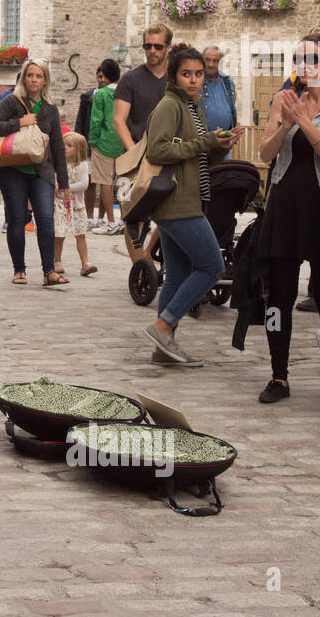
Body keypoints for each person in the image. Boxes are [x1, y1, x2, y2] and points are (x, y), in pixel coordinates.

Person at [254, 32, 320, 409]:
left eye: (312, 58)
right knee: (279, 297)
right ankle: (278, 375)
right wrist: (285, 122)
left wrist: (305, 122)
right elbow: (266, 153)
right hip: (286, 203)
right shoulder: (284, 99)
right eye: (298, 58)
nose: (303, 65)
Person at [141, 46, 243, 365]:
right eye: (187, 74)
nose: (195, 80)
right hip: (176, 202)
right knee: (212, 267)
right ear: (173, 76)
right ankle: (163, 325)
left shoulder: (192, 107)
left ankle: (163, 349)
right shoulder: (170, 106)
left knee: (177, 274)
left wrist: (218, 146)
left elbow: (196, 156)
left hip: (189, 198)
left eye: (199, 74)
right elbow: (157, 151)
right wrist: (206, 143)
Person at [0, 59, 68, 286]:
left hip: (42, 171)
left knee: (46, 220)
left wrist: (64, 182)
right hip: (12, 169)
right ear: (24, 78)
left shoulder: (50, 109)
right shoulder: (12, 102)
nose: (33, 80)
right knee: (16, 219)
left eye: (38, 76)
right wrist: (19, 122)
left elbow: (58, 147)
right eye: (30, 75)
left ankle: (49, 271)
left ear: (45, 80)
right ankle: (19, 269)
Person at [114, 25, 171, 262]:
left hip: (168, 159)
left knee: (170, 215)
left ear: (168, 48)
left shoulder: (176, 80)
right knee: (131, 216)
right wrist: (134, 152)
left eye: (158, 46)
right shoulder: (130, 79)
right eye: (148, 46)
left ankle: (146, 259)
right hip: (133, 159)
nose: (152, 51)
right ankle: (139, 268)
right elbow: (119, 120)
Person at [87, 59, 123, 234]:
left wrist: (92, 142)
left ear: (105, 76)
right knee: (124, 182)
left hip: (104, 143)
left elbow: (95, 121)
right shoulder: (125, 92)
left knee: (105, 183)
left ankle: (111, 222)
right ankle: (125, 220)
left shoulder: (100, 94)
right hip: (123, 142)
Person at [54, 132, 96, 277]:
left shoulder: (82, 164)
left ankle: (85, 263)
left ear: (79, 149)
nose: (65, 148)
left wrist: (66, 187)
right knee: (59, 234)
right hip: (60, 204)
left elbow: (84, 184)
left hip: (77, 205)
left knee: (81, 234)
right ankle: (57, 261)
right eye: (64, 145)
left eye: (69, 146)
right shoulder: (57, 164)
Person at [199, 46, 238, 133]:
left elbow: (232, 106)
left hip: (225, 137)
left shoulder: (227, 81)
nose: (211, 64)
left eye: (215, 61)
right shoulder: (196, 80)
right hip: (203, 140)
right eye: (207, 60)